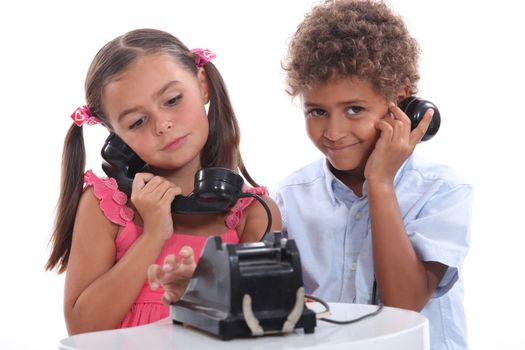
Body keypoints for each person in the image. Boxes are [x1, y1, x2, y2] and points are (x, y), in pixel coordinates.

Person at [45, 28, 281, 335]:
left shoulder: (252, 213)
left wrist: (203, 291)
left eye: (172, 100)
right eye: (137, 122)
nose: (163, 124)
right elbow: (82, 328)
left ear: (202, 85)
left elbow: (266, 324)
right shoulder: (106, 208)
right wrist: (153, 234)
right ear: (116, 137)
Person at [273, 1, 472, 349]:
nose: (333, 132)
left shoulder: (442, 192)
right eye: (317, 111)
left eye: (354, 109)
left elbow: (405, 305)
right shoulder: (291, 197)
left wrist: (379, 183)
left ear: (402, 101)